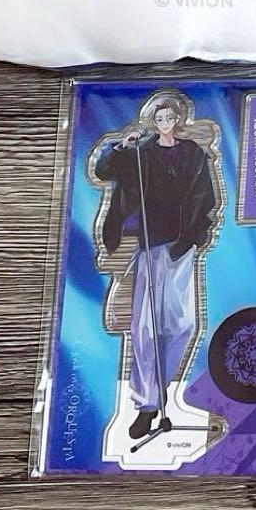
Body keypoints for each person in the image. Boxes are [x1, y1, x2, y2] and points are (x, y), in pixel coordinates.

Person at [93, 92, 218, 440]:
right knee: (145, 328)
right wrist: (122, 146)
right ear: (153, 122)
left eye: (168, 118)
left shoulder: (193, 153)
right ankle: (147, 405)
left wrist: (198, 233)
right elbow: (104, 170)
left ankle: (158, 389)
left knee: (182, 324)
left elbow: (206, 197)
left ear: (177, 120)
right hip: (149, 243)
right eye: (158, 119)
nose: (164, 123)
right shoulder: (141, 152)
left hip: (182, 243)